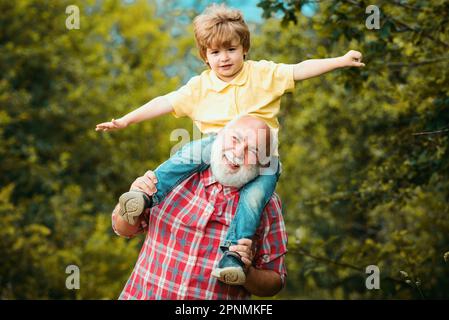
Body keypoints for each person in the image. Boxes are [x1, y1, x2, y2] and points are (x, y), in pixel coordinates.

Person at [97, 4, 365, 284]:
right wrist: (126, 120)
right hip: (216, 151)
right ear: (205, 56)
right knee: (189, 153)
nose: (224, 58)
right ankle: (146, 196)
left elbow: (299, 69)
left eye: (231, 50)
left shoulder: (263, 74)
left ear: (244, 48)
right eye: (215, 52)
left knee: (254, 200)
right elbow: (164, 102)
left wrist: (339, 60)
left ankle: (234, 257)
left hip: (261, 159)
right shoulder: (200, 88)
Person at [113, 116, 288, 299]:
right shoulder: (175, 179)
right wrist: (134, 195)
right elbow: (122, 229)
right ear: (220, 135)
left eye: (253, 150)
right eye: (235, 138)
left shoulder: (267, 205)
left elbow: (275, 280)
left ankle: (231, 262)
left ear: (263, 162)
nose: (238, 151)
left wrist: (247, 272)